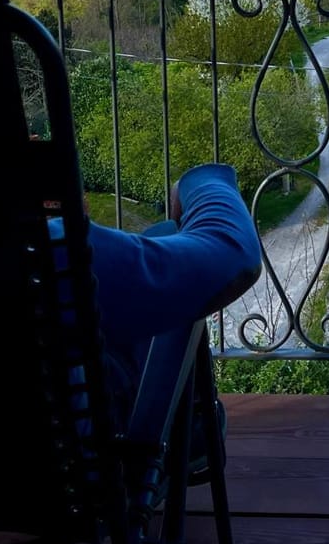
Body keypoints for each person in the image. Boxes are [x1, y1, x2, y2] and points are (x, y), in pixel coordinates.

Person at [52, 162, 261, 434]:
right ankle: (192, 430)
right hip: (110, 452)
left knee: (156, 240)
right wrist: (202, 180)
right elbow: (234, 252)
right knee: (167, 240)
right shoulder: (54, 251)